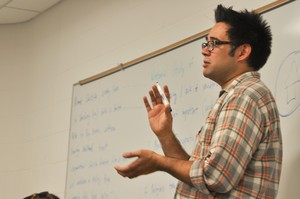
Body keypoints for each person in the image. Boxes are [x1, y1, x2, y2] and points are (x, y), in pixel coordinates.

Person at [115, 4, 282, 198]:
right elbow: (199, 179)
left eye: (214, 43)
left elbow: (215, 177)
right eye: (205, 43)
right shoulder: (236, 94)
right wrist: (165, 134)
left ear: (242, 52)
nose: (205, 51)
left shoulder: (245, 95)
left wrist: (159, 162)